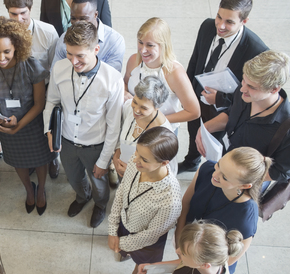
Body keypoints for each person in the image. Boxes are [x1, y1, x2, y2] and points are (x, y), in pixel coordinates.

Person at [0, 17, 56, 215]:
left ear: (17, 47)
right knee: (18, 162)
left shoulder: (31, 66)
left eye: (7, 52)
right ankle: (29, 190)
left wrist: (19, 124)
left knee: (40, 159)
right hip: (6, 125)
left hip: (33, 123)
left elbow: (39, 104)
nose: (1, 57)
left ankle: (41, 189)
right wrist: (0, 120)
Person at [45, 21, 123, 228]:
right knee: (73, 177)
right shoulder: (60, 69)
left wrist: (104, 160)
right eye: (70, 54)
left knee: (99, 181)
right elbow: (51, 101)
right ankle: (82, 197)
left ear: (96, 49)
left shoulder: (113, 79)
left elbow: (114, 125)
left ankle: (100, 204)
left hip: (96, 145)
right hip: (67, 140)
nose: (74, 61)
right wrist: (49, 130)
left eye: (80, 56)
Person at [178, 0, 268, 173]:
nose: (220, 25)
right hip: (198, 97)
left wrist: (219, 98)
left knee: (216, 144)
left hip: (224, 109)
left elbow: (252, 95)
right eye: (219, 17)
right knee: (193, 130)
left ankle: (216, 171)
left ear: (244, 21)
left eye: (229, 22)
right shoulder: (206, 26)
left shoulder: (256, 51)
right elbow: (196, 60)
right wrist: (186, 93)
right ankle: (192, 160)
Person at [108, 127, 181, 274]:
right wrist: (112, 230)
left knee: (147, 267)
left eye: (144, 159)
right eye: (137, 153)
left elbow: (150, 235)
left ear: (164, 163)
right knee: (133, 257)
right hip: (127, 224)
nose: (135, 161)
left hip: (147, 240)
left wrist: (120, 243)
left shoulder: (170, 198)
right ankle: (133, 273)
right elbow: (121, 193)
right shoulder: (136, 163)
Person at [196, 50, 290, 184]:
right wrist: (206, 127)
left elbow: (280, 172)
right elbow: (232, 112)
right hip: (224, 163)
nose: (242, 89)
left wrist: (233, 177)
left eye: (252, 87)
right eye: (243, 80)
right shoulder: (245, 92)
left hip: (247, 183)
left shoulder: (286, 127)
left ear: (274, 89)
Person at [175, 147, 271, 274]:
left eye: (225, 177)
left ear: (244, 186)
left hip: (210, 266)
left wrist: (189, 258)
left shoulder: (246, 217)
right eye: (219, 165)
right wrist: (180, 244)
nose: (215, 174)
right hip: (189, 248)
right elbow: (185, 204)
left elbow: (229, 260)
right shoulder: (208, 169)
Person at [4, 0, 60, 179]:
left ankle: (52, 159)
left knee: (46, 128)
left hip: (44, 88)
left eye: (23, 13)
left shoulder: (48, 32)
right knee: (27, 131)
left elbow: (54, 66)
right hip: (17, 93)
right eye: (13, 14)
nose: (18, 19)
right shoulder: (4, 33)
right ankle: (30, 161)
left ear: (30, 9)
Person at [123, 17, 200, 131]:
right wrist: (124, 92)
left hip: (161, 131)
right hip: (133, 125)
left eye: (150, 45)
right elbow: (125, 83)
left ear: (163, 45)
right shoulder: (134, 60)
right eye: (140, 42)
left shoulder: (175, 73)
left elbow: (194, 111)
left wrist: (157, 120)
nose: (143, 50)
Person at [114, 76, 177, 177]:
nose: (136, 110)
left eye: (143, 107)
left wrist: (132, 173)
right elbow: (120, 132)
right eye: (135, 102)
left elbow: (164, 172)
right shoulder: (128, 108)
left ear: (158, 106)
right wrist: (116, 157)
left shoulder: (163, 134)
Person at [51, 0, 125, 72]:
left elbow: (111, 77)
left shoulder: (115, 41)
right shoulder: (63, 39)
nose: (77, 24)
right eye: (73, 18)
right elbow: (56, 72)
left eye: (83, 19)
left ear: (95, 14)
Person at [40, 0, 112, 36]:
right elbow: (45, 31)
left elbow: (106, 33)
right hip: (58, 55)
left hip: (91, 56)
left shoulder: (100, 1)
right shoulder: (48, 1)